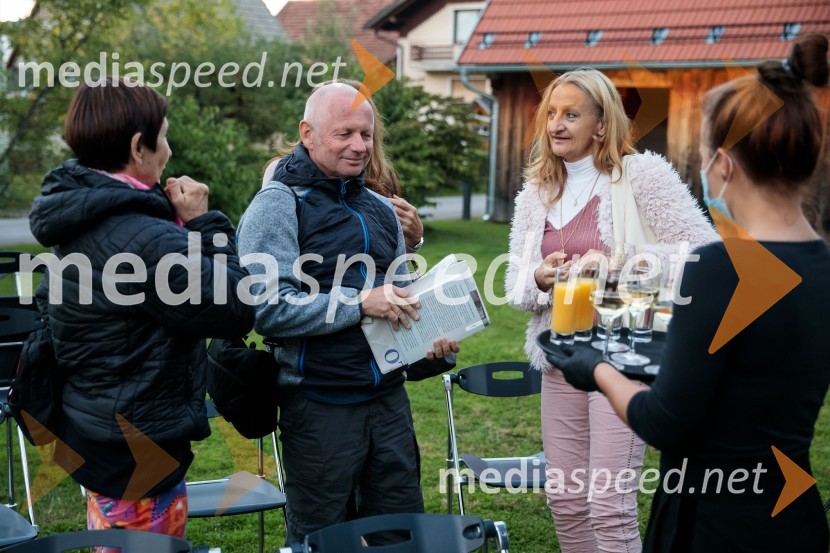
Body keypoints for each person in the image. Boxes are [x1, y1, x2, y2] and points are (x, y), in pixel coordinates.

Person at [551, 34, 830, 553]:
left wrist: (595, 368)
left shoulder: (719, 269)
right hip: (794, 516)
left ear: (723, 165)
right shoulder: (823, 267)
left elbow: (666, 421)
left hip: (715, 519)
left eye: (702, 154)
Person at [27, 78, 255, 544]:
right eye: (164, 136)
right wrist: (204, 225)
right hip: (139, 448)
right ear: (138, 146)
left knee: (111, 538)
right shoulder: (145, 239)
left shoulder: (84, 218)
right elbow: (236, 306)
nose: (168, 150)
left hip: (100, 432)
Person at [505, 68, 718, 552]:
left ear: (602, 125)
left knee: (608, 505)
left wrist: (623, 261)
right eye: (551, 114)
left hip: (622, 361)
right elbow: (516, 288)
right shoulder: (535, 194)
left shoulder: (642, 174)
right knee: (566, 501)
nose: (556, 125)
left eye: (571, 115)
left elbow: (706, 254)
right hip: (561, 362)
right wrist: (539, 278)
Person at [237, 83, 455, 543]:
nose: (360, 146)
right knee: (322, 540)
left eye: (367, 134)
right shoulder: (276, 205)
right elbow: (266, 309)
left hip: (388, 403)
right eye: (345, 134)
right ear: (308, 134)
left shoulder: (379, 208)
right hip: (319, 404)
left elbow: (400, 300)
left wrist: (431, 341)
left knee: (400, 536)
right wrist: (357, 303)